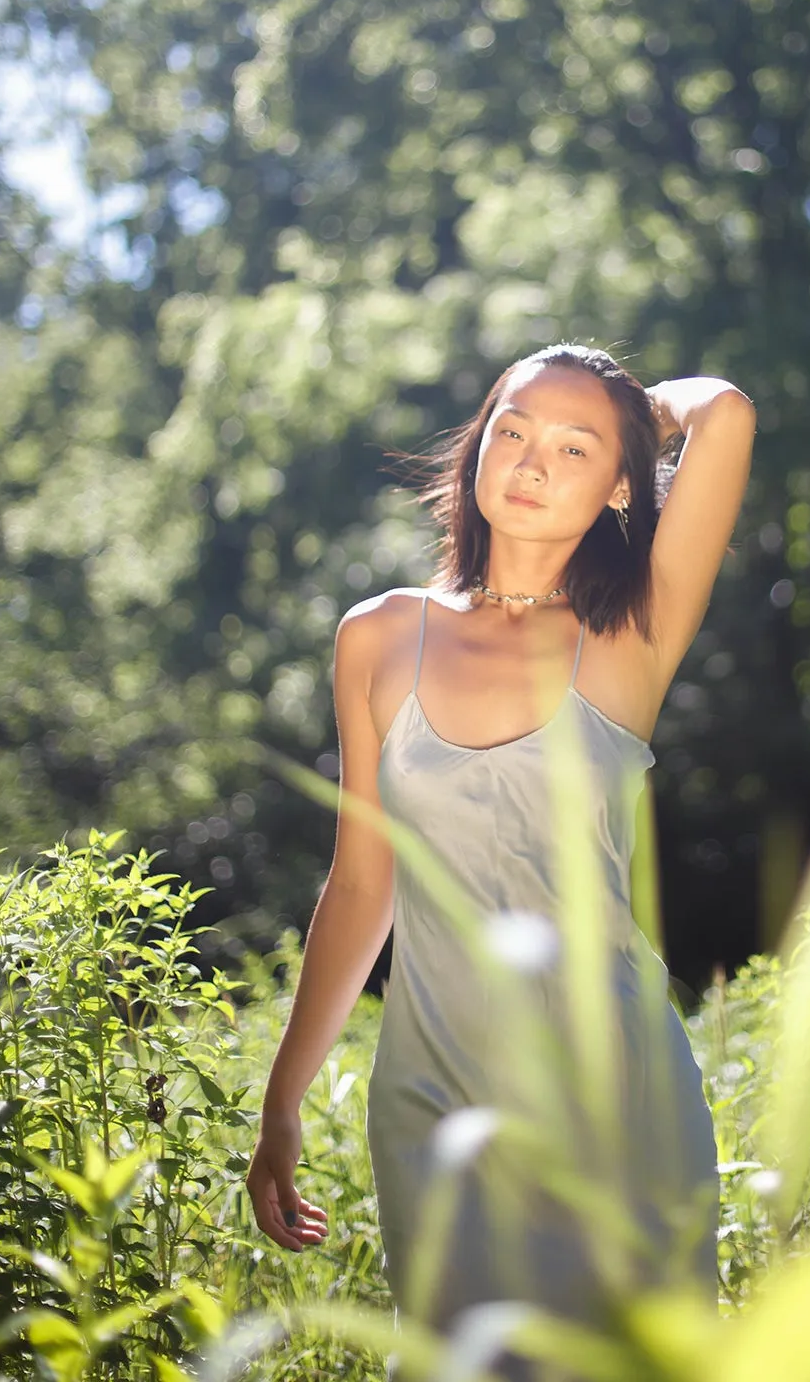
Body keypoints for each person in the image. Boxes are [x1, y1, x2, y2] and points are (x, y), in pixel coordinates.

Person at [245, 342, 756, 1378]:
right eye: (513, 431)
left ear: (622, 485)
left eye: (573, 450)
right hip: (435, 1095)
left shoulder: (632, 633)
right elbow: (360, 884)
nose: (531, 462)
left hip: (613, 1087)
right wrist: (281, 1102)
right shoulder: (379, 637)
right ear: (478, 446)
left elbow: (730, 413)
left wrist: (633, 409)